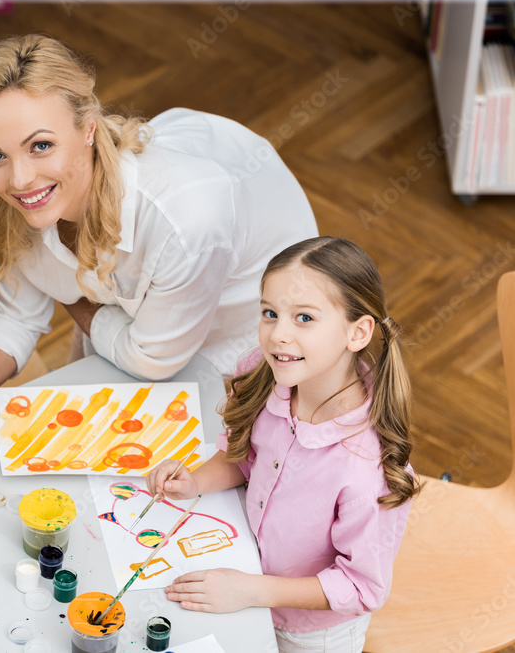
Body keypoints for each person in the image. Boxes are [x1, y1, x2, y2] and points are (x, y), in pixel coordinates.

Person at [0, 34, 317, 421]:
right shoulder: (23, 199)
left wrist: (71, 299)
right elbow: (16, 312)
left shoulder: (186, 218)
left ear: (89, 127)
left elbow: (153, 360)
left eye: (41, 146)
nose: (19, 179)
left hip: (245, 332)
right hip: (126, 326)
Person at [146, 236, 419, 653]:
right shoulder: (267, 375)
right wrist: (195, 481)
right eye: (270, 313)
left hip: (307, 633)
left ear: (357, 332)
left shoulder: (366, 467)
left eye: (304, 318)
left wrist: (251, 591)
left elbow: (361, 587)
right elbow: (248, 458)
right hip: (243, 580)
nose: (278, 335)